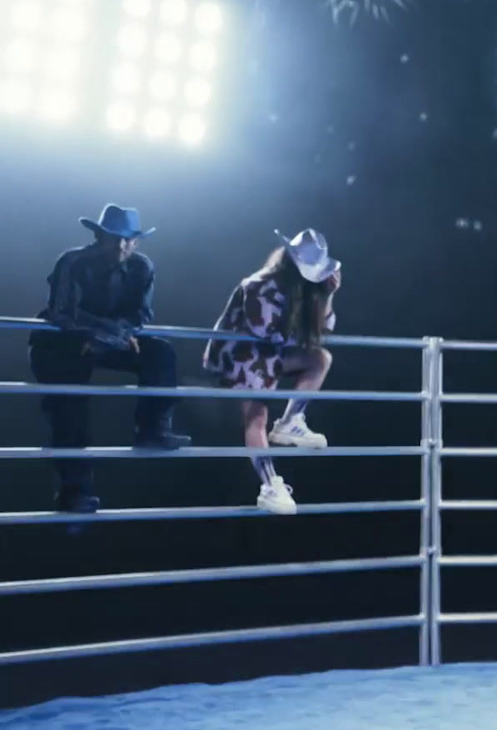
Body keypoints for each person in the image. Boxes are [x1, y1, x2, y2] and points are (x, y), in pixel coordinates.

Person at [28, 204, 190, 517]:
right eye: (114, 238)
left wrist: (111, 335)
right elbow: (64, 312)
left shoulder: (142, 267)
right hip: (58, 344)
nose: (120, 246)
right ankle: (74, 494)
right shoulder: (73, 261)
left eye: (128, 240)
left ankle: (153, 428)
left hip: (105, 339)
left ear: (137, 242)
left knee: (160, 351)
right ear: (99, 236)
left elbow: (139, 315)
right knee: (69, 410)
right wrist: (104, 332)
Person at [202, 229, 340, 514]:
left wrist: (328, 295)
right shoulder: (259, 285)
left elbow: (324, 329)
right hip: (239, 353)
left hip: (270, 351)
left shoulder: (303, 288)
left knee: (319, 358)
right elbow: (263, 332)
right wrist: (299, 335)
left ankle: (291, 421)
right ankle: (269, 484)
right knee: (256, 415)